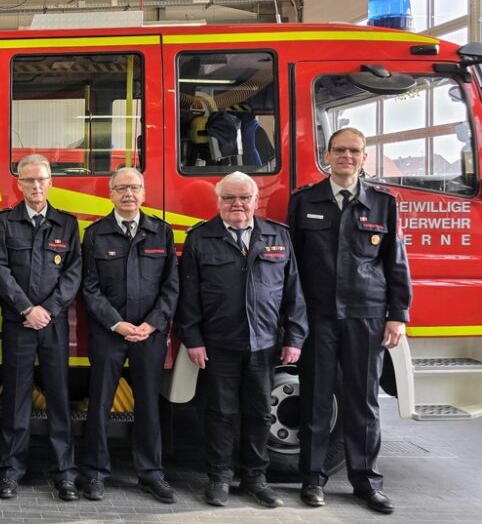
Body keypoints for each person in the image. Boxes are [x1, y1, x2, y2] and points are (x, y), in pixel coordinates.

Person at [288, 128, 412, 514]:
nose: (346, 156)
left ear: (364, 157)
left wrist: (398, 315)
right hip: (318, 317)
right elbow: (291, 267)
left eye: (354, 151)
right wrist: (291, 318)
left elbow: (395, 262)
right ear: (327, 154)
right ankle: (312, 480)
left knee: (364, 402)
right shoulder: (304, 201)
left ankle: (366, 482)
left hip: (367, 316)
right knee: (315, 400)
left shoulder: (382, 204)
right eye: (340, 150)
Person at [175, 171, 307, 508]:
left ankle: (255, 479)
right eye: (229, 198)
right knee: (220, 413)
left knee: (260, 413)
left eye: (244, 198)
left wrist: (294, 338)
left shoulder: (278, 236)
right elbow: (187, 295)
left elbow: (294, 293)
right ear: (218, 201)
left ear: (254, 201)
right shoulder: (200, 238)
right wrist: (193, 339)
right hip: (219, 343)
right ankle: (219, 478)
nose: (237, 204)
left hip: (264, 344)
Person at [78, 167, 179, 504]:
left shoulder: (161, 232)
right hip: (109, 333)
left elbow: (171, 286)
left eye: (134, 187)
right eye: (121, 188)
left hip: (149, 334)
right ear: (110, 194)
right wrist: (116, 323)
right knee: (100, 403)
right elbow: (89, 288)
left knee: (149, 405)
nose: (128, 194)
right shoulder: (95, 234)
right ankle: (93, 473)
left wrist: (152, 323)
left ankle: (151, 474)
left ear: (144, 192)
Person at [0, 154, 82, 501]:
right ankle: (12, 471)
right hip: (18, 323)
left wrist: (49, 309)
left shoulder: (66, 224)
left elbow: (74, 272)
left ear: (51, 182)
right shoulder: (4, 223)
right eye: (28, 180)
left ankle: (65, 473)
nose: (35, 185)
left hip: (54, 325)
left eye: (41, 179)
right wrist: (27, 308)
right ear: (19, 184)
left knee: (59, 398)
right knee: (15, 399)